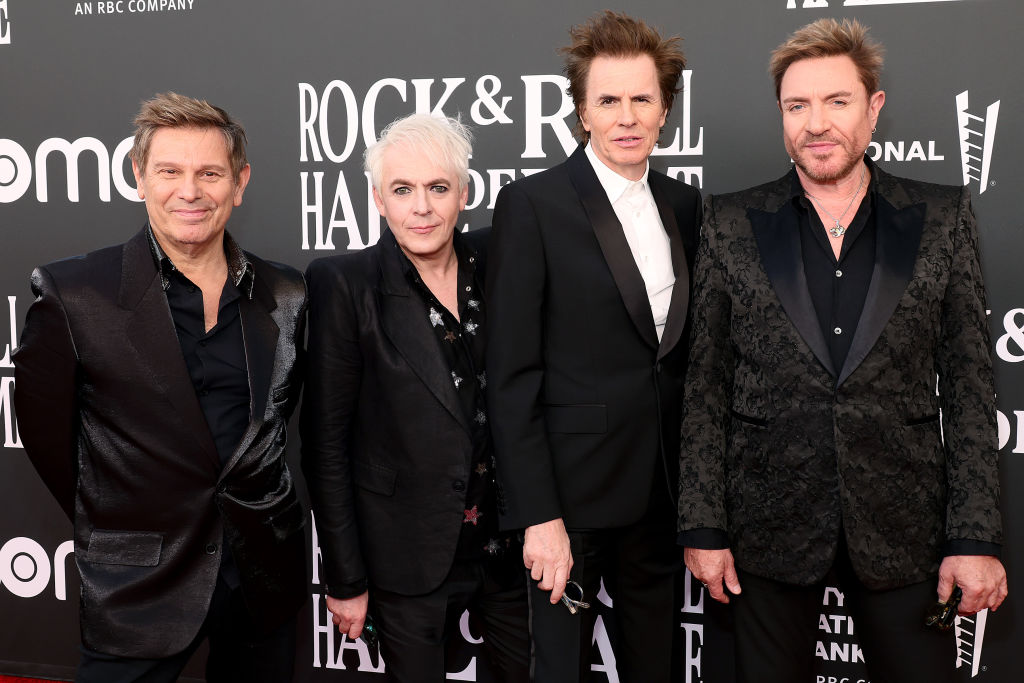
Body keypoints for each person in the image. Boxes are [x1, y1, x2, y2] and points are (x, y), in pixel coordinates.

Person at [678, 18, 1008, 683]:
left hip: (902, 524)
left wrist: (973, 538)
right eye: (797, 106)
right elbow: (706, 382)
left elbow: (971, 384)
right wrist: (703, 525)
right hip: (767, 528)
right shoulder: (732, 220)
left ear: (873, 107)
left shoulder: (941, 216)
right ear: (781, 115)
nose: (816, 123)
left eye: (836, 101)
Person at [13, 92, 307, 682]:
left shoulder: (287, 294)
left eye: (210, 173)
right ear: (139, 176)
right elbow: (47, 438)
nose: (189, 192)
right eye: (170, 172)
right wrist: (122, 515)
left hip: (262, 570)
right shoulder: (75, 294)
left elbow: (275, 424)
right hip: (138, 578)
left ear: (240, 182)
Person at [485, 11, 701, 682]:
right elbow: (511, 375)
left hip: (662, 492)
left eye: (642, 98)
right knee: (558, 670)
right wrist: (538, 516)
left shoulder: (687, 205)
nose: (627, 115)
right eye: (609, 99)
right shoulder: (533, 205)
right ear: (582, 111)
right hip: (569, 501)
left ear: (666, 108)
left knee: (656, 665)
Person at [302, 113, 529, 682]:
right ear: (379, 198)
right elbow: (325, 443)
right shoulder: (345, 284)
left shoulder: (500, 262)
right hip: (405, 551)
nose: (421, 207)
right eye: (403, 190)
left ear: (465, 193)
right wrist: (346, 580)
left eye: (438, 187)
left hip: (508, 542)